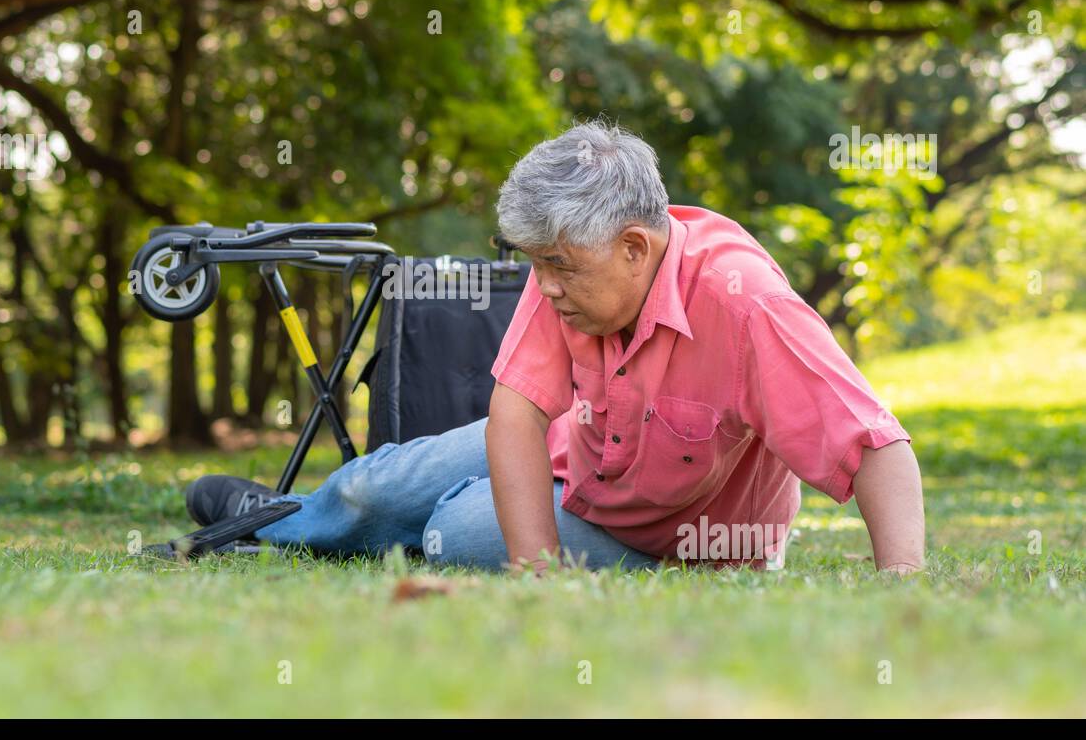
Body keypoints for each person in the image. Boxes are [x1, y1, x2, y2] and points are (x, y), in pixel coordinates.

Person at [186, 118, 926, 576]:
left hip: (677, 543)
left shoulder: (747, 303)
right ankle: (287, 519)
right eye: (536, 263)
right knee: (375, 487)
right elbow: (517, 411)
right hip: (586, 458)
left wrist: (902, 587)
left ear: (635, 247)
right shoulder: (571, 272)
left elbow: (875, 448)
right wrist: (535, 562)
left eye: (557, 266)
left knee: (456, 527)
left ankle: (347, 525)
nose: (543, 286)